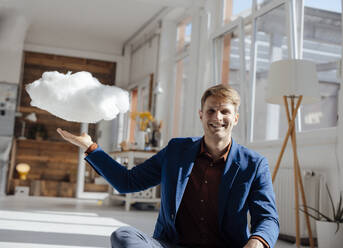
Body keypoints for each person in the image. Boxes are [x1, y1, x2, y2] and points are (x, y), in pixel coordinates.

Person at [57, 84, 279, 248]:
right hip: (171, 245)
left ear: (236, 118)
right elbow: (127, 182)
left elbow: (267, 218)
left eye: (225, 112)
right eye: (211, 110)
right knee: (123, 236)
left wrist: (257, 242)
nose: (217, 117)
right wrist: (91, 147)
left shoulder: (254, 164)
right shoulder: (176, 151)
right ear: (201, 115)